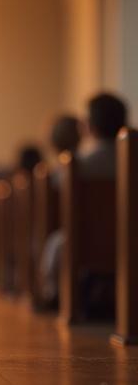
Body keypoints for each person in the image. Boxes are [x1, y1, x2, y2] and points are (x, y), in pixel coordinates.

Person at [39, 93, 128, 310]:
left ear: (88, 126)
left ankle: (56, 298)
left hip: (87, 241)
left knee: (56, 243)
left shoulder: (78, 164)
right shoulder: (132, 157)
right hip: (131, 238)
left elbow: (55, 189)